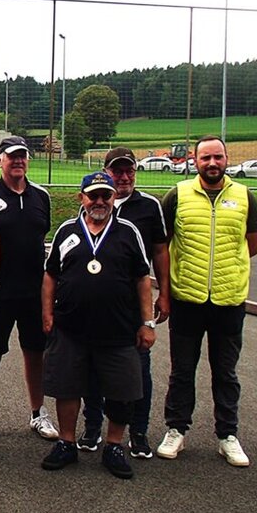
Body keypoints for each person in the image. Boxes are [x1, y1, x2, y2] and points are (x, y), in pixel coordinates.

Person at [156, 136, 257, 467]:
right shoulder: (178, 195)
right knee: (182, 371)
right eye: (206, 158)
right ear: (195, 161)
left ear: (227, 159)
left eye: (218, 157)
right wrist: (166, 291)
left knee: (226, 372)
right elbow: (163, 246)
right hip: (187, 298)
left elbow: (253, 244)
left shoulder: (245, 197)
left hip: (229, 301)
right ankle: (176, 430)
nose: (212, 163)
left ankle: (227, 435)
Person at [41, 172, 156, 479]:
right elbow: (50, 274)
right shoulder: (67, 231)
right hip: (70, 327)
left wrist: (147, 323)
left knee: (122, 389)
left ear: (114, 198)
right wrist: (47, 314)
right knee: (67, 387)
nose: (100, 201)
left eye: (106, 195)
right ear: (82, 198)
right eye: (94, 196)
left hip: (119, 329)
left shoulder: (128, 232)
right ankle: (66, 442)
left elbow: (142, 280)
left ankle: (114, 445)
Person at [78, 146, 170, 459]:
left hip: (132, 309)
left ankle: (138, 431)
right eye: (118, 171)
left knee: (137, 372)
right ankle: (92, 427)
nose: (125, 176)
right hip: (95, 310)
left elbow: (159, 251)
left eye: (129, 170)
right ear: (106, 173)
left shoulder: (149, 206)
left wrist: (165, 293)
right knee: (92, 371)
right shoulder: (93, 205)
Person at [0, 135, 57, 444]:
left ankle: (38, 412)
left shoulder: (41, 197)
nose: (18, 161)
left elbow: (40, 236)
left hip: (33, 292)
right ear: (0, 161)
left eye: (22, 156)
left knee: (35, 352)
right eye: (12, 156)